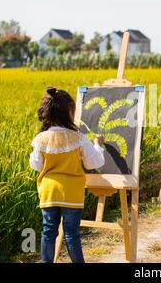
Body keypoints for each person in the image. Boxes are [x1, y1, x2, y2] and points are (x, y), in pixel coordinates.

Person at [29, 87, 105, 263]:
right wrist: (98, 145)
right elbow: (93, 163)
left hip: (49, 192)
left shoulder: (41, 138)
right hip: (71, 193)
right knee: (71, 234)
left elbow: (36, 165)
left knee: (48, 232)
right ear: (68, 113)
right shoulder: (78, 137)